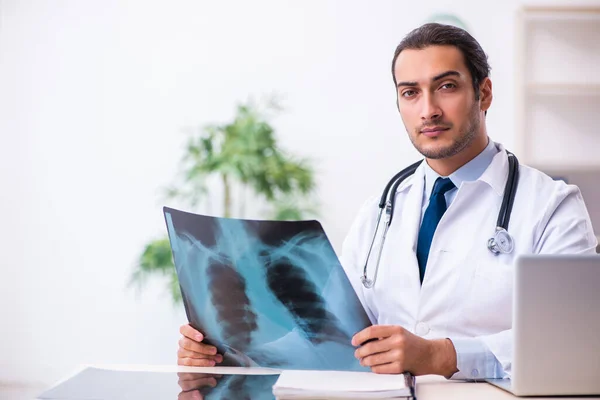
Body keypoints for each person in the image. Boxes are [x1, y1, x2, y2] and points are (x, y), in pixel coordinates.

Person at [176, 23, 597, 379]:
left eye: (446, 87)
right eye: (410, 93)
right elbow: (335, 338)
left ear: (484, 94)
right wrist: (229, 358)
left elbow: (577, 339)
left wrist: (441, 356)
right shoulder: (380, 210)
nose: (428, 109)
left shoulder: (551, 207)